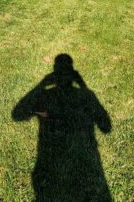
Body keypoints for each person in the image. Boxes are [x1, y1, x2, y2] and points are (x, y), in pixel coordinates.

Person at [12, 54, 112, 201]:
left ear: (54, 72)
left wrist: (42, 84)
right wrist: (84, 86)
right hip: (83, 163)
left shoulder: (47, 95)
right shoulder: (85, 96)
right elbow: (106, 126)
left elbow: (18, 114)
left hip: (50, 163)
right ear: (73, 74)